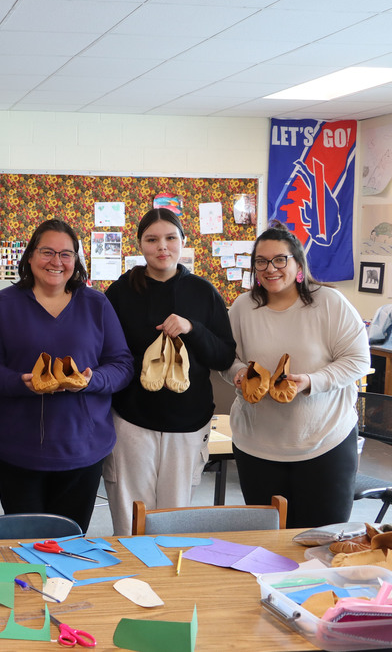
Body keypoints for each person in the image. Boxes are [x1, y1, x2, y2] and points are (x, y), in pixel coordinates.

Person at [0, 218, 132, 532]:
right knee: (25, 547)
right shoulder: (3, 304)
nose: (56, 262)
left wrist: (91, 381)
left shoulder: (96, 304)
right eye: (47, 252)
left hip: (82, 448)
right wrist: (20, 383)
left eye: (66, 254)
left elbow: (122, 365)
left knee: (68, 544)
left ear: (76, 260)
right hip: (17, 447)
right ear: (30, 256)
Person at [223, 223, 369, 528]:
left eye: (280, 259)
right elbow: (226, 358)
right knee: (269, 543)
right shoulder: (242, 307)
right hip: (257, 446)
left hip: (325, 444)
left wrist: (311, 382)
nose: (270, 268)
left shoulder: (329, 303)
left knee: (322, 541)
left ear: (298, 264)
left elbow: (357, 360)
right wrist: (240, 375)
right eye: (260, 261)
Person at [103, 208, 236, 535]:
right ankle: (131, 578)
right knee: (131, 517)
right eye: (152, 239)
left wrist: (192, 328)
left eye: (170, 238)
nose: (162, 246)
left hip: (187, 425)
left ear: (183, 242)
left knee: (174, 520)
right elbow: (103, 351)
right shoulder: (120, 292)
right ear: (140, 244)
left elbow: (223, 355)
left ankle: (165, 584)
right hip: (131, 421)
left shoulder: (203, 292)